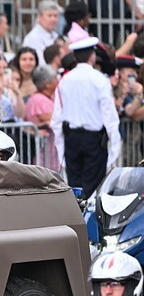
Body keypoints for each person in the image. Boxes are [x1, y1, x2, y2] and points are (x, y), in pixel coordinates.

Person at [52, 37, 121, 199]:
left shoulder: (64, 80)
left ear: (75, 57)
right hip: (94, 141)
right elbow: (110, 117)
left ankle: (76, 220)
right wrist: (114, 150)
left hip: (72, 139)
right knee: (93, 188)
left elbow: (56, 118)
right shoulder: (100, 80)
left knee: (74, 187)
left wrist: (61, 146)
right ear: (93, 57)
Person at [25, 65, 60, 172]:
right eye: (55, 78)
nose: (57, 80)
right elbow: (54, 119)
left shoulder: (47, 97)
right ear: (47, 84)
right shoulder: (39, 100)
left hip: (48, 149)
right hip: (42, 151)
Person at [22, 0, 62, 65]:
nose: (53, 19)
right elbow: (40, 63)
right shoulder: (33, 38)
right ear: (39, 17)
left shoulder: (55, 36)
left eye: (55, 16)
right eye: (49, 16)